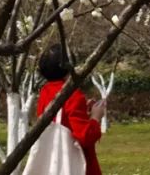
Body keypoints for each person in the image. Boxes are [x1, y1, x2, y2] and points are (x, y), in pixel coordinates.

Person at [35, 44, 106, 175]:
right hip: (76, 163)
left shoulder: (45, 91)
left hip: (52, 160)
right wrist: (96, 117)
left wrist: (84, 111)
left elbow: (60, 120)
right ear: (69, 67)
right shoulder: (72, 95)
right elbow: (85, 137)